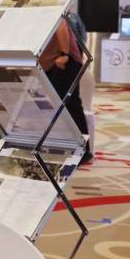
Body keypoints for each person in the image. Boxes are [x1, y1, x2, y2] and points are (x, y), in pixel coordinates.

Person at [39, 16, 92, 162]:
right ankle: (69, 148)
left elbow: (60, 25)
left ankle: (82, 151)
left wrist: (65, 55)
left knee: (70, 106)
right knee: (60, 107)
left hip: (62, 63)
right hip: (53, 63)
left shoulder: (55, 12)